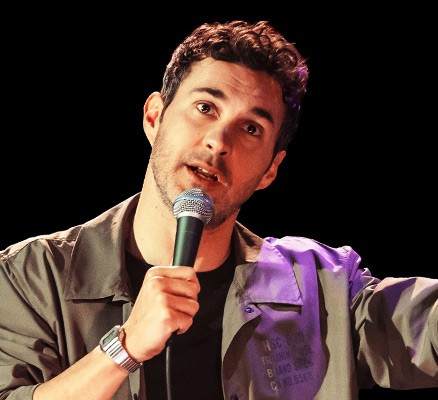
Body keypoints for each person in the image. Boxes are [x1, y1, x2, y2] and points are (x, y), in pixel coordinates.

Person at [0, 19, 436, 400]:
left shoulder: (322, 290)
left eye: (251, 128)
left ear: (270, 170)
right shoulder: (32, 276)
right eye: (205, 108)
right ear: (154, 116)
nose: (218, 142)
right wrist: (125, 348)